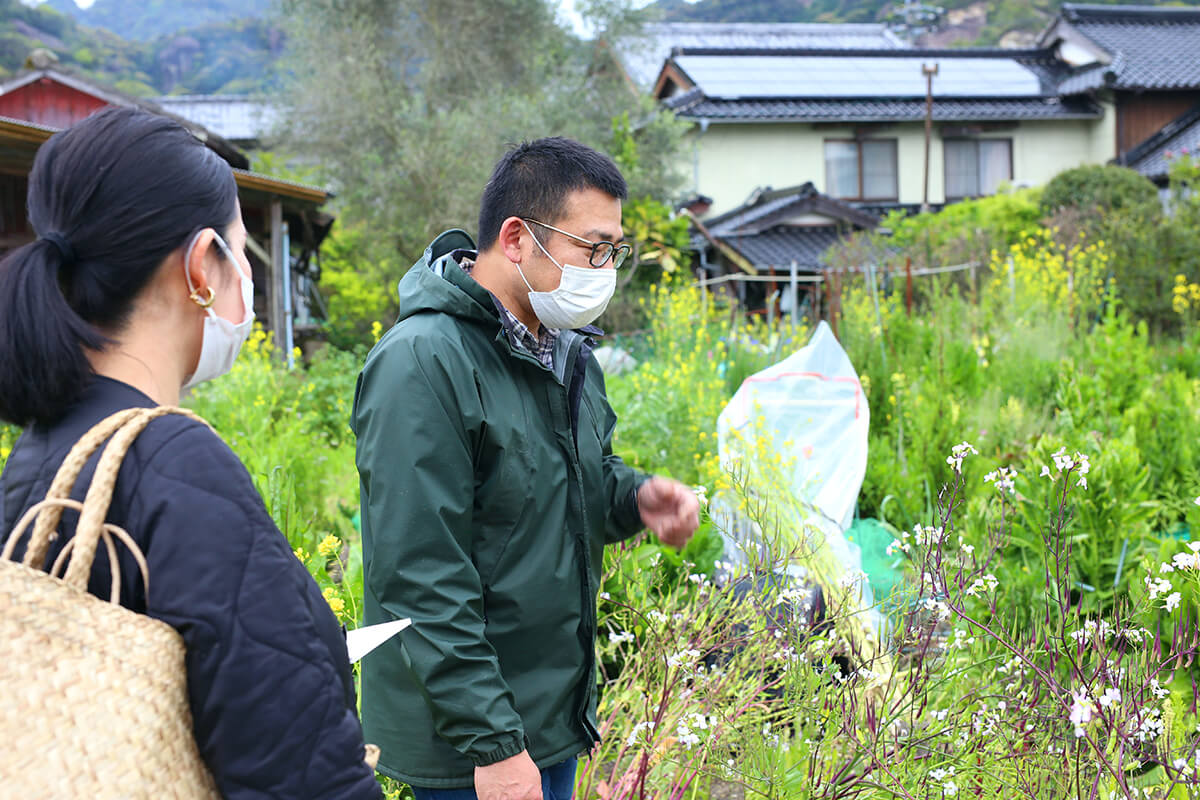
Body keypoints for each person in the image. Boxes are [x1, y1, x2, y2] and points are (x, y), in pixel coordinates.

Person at [0, 106, 382, 799]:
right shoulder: (174, 461)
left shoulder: (35, 453)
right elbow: (301, 772)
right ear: (204, 264)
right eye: (240, 249)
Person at [352, 137, 701, 800]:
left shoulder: (564, 352)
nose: (605, 269)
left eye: (614, 252)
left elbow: (566, 480)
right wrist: (495, 744)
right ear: (517, 238)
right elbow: (421, 574)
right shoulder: (423, 362)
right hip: (469, 745)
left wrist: (633, 498)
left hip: (546, 716)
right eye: (592, 248)